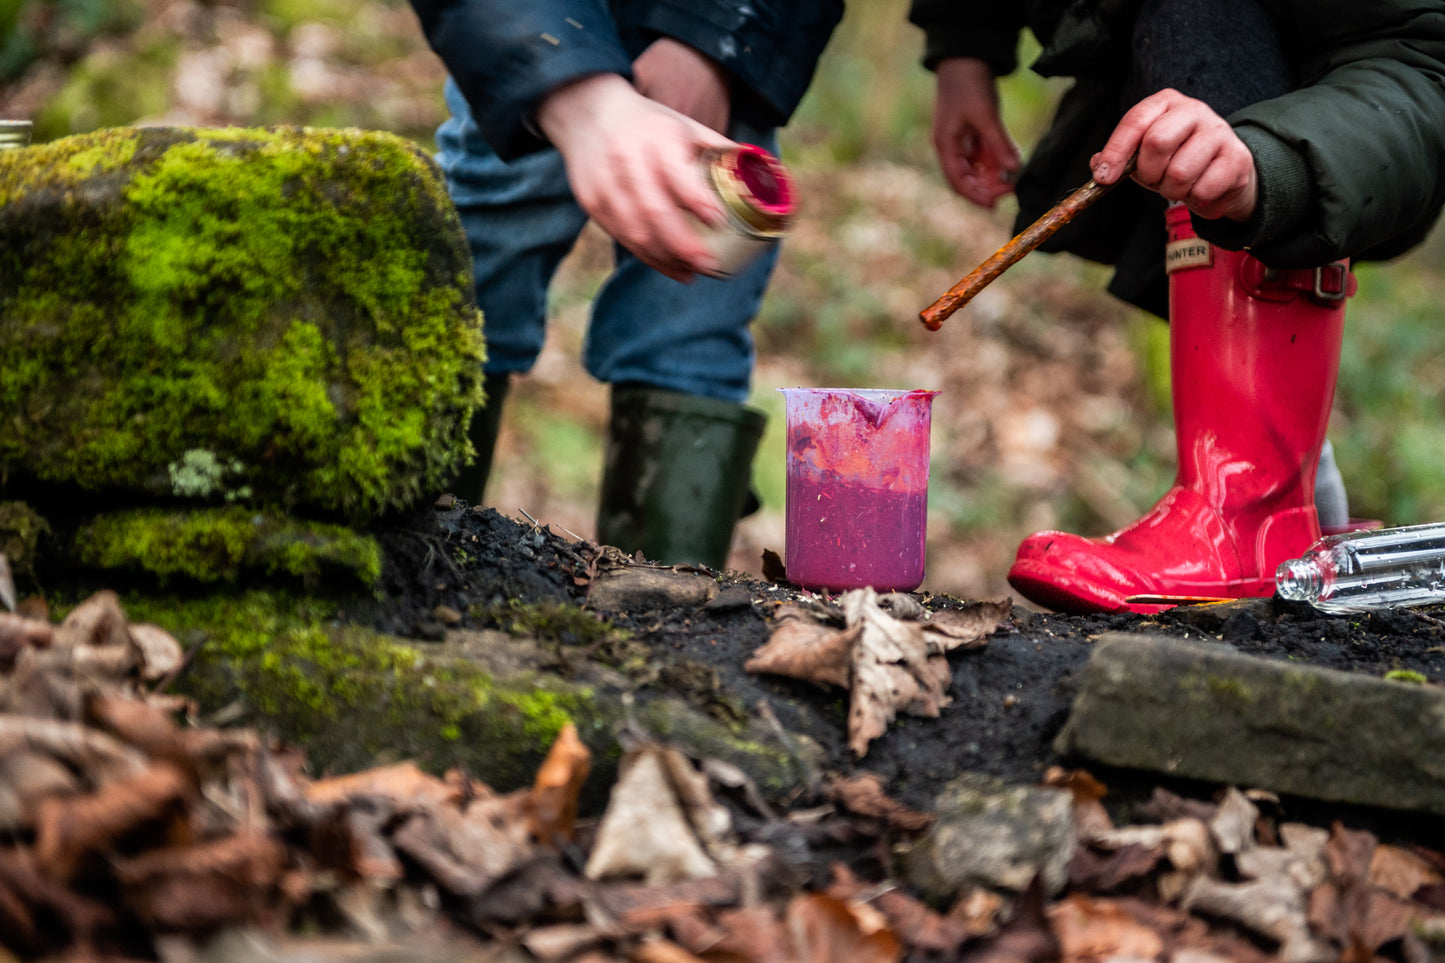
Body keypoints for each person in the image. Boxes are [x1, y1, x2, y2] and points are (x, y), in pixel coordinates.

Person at [908, 0, 1445, 613]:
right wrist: (965, 48)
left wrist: (1268, 167)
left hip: (1338, 124)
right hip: (1130, 73)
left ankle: (1246, 516)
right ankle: (1290, 518)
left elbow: (1423, 57)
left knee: (1196, 14)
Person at [404, 1, 844, 569]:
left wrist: (712, 43)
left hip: (726, 47)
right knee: (484, 251)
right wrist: (571, 87)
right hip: (531, 36)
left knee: (690, 316)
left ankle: (673, 603)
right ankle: (412, 549)